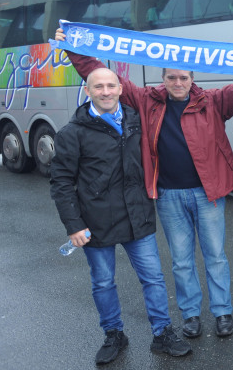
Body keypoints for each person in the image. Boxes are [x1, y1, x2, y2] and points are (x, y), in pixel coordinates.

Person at [55, 28, 233, 338]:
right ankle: (190, 315)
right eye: (171, 78)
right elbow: (98, 74)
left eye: (183, 78)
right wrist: (73, 47)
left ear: (192, 79)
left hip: (207, 194)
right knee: (182, 260)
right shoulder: (146, 101)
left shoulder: (214, 101)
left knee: (215, 256)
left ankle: (222, 312)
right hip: (169, 196)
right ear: (163, 79)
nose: (177, 83)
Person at [50, 68, 191, 365]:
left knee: (153, 278)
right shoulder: (72, 132)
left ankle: (162, 332)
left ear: (120, 88)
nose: (105, 92)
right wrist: (73, 225)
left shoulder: (135, 120)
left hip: (137, 216)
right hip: (95, 222)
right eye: (98, 86)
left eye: (111, 86)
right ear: (87, 91)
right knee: (103, 283)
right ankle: (114, 334)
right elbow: (61, 182)